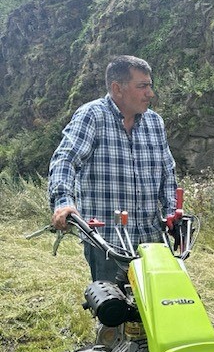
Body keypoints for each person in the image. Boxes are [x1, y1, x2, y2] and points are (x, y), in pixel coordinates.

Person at [48, 55, 177, 281]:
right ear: (118, 89)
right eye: (142, 86)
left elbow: (168, 173)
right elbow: (65, 160)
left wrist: (171, 212)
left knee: (158, 308)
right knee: (112, 310)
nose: (150, 93)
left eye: (150, 85)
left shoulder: (155, 123)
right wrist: (64, 202)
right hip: (106, 242)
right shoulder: (92, 116)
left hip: (152, 240)